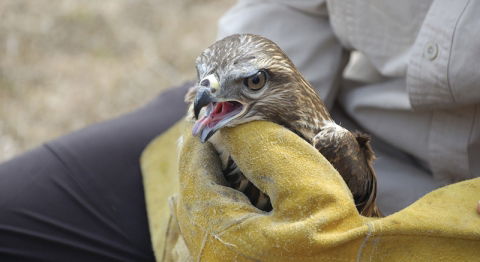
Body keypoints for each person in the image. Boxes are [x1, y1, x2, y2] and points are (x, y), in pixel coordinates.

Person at [1, 0, 479, 261]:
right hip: (266, 109)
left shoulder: (338, 153)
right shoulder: (224, 100)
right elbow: (288, 12)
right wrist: (233, 102)